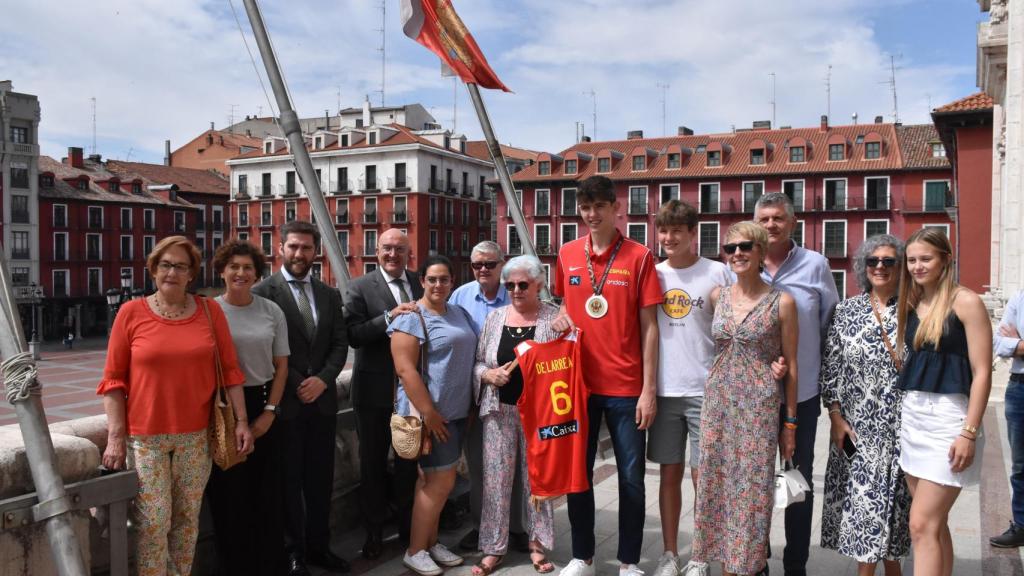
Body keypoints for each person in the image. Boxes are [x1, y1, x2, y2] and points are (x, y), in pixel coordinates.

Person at [98, 236, 253, 576]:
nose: (172, 272)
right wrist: (115, 437)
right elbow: (113, 380)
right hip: (146, 438)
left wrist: (242, 421)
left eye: (180, 266)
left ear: (191, 274)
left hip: (196, 436)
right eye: (165, 264)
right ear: (154, 269)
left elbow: (230, 371)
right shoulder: (130, 313)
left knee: (186, 523)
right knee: (153, 524)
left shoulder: (209, 311)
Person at [551, 175, 662, 576]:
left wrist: (649, 390)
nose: (592, 214)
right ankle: (583, 556)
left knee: (631, 480)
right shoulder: (566, 254)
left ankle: (630, 562)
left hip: (627, 388)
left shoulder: (639, 256)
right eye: (585, 207)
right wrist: (562, 316)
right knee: (577, 475)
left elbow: (650, 326)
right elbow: (563, 303)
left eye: (599, 206)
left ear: (617, 208)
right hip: (578, 386)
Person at [688, 221, 798, 576]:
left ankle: (747, 567)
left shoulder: (783, 302)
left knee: (752, 493)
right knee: (715, 486)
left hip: (758, 408)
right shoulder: (717, 296)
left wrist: (790, 423)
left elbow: (791, 365)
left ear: (762, 252)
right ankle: (724, 566)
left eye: (745, 247)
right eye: (730, 248)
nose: (737, 254)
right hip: (718, 403)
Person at [252, 221, 350, 576]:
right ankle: (293, 553)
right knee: (288, 483)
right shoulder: (264, 292)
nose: (299, 254)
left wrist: (323, 380)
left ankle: (320, 547)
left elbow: (340, 344)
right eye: (293, 247)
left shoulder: (328, 294)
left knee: (320, 480)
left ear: (315, 251)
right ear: (280, 249)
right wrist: (298, 382)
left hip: (322, 405)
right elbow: (265, 346)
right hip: (286, 406)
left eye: (306, 248)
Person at [896, 227, 992, 575]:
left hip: (950, 419)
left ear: (945, 260)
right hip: (914, 417)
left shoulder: (966, 301)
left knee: (921, 525)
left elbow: (982, 372)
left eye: (926, 258)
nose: (917, 266)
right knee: (934, 526)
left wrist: (969, 431)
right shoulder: (911, 302)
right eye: (912, 260)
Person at [754, 192, 839, 576]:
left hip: (801, 396)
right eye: (765, 218)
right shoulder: (742, 263)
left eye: (778, 218)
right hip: (753, 396)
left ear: (793, 222)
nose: (771, 225)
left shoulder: (815, 265)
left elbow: (829, 325)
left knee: (797, 483)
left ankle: (796, 564)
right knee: (753, 480)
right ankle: (755, 556)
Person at [647, 200, 730, 576]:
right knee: (669, 474)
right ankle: (669, 553)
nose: (668, 237)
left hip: (706, 389)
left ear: (693, 233)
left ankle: (699, 554)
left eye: (676, 231)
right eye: (663, 230)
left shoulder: (718, 273)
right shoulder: (653, 273)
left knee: (703, 478)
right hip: (664, 390)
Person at [819, 235, 911, 575]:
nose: (880, 267)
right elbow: (830, 369)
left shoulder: (914, 310)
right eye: (873, 261)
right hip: (859, 430)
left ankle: (894, 570)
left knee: (897, 513)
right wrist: (835, 416)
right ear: (863, 267)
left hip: (904, 428)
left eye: (889, 261)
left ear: (901, 267)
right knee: (866, 511)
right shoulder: (846, 311)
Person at [205, 239, 290, 576]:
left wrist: (269, 412)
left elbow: (282, 366)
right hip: (222, 410)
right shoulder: (208, 311)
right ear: (222, 271)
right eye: (234, 267)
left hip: (264, 402)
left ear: (257, 274)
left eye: (248, 268)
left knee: (269, 496)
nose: (240, 273)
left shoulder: (271, 311)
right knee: (229, 499)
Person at [389, 255, 479, 576]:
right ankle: (415, 551)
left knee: (433, 482)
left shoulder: (459, 312)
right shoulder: (412, 318)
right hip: (431, 417)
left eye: (444, 279)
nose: (438, 285)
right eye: (432, 279)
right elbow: (404, 369)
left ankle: (430, 542)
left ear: (452, 282)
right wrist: (430, 414)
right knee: (439, 482)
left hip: (455, 413)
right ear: (422, 282)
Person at [471, 255, 559, 575]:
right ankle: (494, 547)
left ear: (538, 284)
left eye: (523, 284)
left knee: (538, 481)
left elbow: (568, 362)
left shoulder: (553, 318)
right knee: (496, 481)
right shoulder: (495, 319)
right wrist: (488, 375)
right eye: (510, 285)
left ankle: (537, 544)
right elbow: (479, 362)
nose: (517, 290)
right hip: (499, 411)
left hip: (540, 414)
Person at [344, 228, 423, 559]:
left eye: (400, 249)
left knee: (408, 463)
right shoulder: (359, 286)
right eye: (387, 248)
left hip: (410, 393)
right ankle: (374, 533)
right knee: (372, 466)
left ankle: (407, 530)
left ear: (408, 253)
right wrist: (388, 316)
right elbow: (353, 335)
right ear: (376, 252)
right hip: (373, 393)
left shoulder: (420, 283)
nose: (393, 254)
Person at [449, 241, 529, 553]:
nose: (483, 269)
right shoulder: (460, 295)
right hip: (475, 392)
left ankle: (518, 528)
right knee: (480, 464)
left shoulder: (517, 291)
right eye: (477, 264)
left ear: (502, 264)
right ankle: (482, 527)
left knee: (518, 464)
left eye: (490, 264)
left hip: (516, 394)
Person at [991, 288, 1024, 548]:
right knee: (1020, 466)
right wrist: (1013, 344)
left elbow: (1010, 344)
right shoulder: (1020, 297)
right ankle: (1022, 526)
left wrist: (1019, 343)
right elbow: (999, 344)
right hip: (1019, 388)